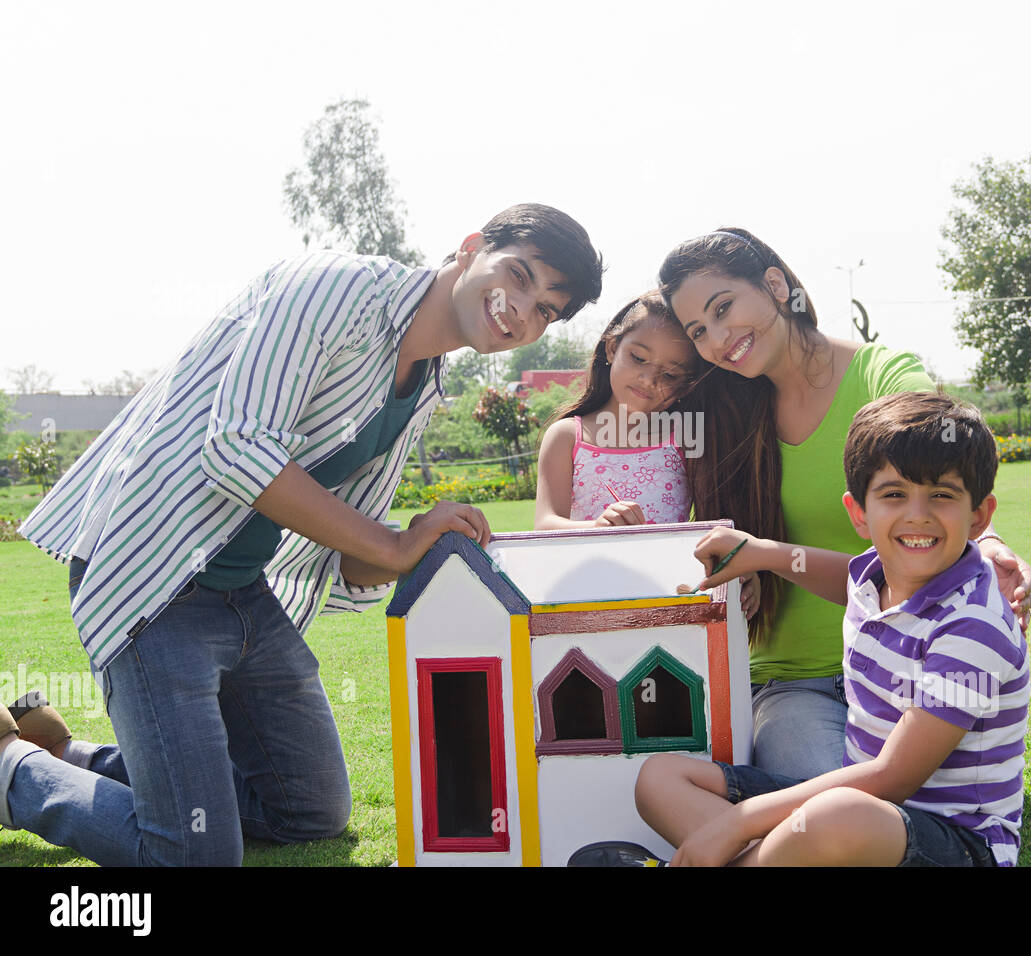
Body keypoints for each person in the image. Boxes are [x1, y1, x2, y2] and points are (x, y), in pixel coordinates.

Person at [2, 203, 604, 866]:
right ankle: (11, 766)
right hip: (153, 575)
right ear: (469, 248)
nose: (522, 310)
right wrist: (395, 545)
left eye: (546, 309)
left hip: (243, 598)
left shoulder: (424, 383)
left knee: (307, 810)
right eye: (518, 276)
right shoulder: (332, 286)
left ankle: (68, 755)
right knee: (193, 854)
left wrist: (426, 543)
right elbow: (235, 449)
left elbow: (349, 563)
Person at [571, 391, 1029, 866]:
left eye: (941, 495)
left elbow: (893, 778)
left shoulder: (973, 625)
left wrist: (738, 822)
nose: (917, 514)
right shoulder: (877, 578)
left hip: (953, 844)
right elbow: (841, 578)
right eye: (894, 494)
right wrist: (761, 551)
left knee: (840, 813)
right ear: (858, 513)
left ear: (978, 516)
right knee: (662, 778)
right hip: (859, 820)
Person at [659, 228, 1031, 781]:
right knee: (831, 803)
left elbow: (939, 460)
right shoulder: (721, 419)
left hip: (911, 664)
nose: (718, 339)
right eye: (699, 331)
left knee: (890, 799)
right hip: (793, 683)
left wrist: (992, 541)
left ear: (775, 284)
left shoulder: (879, 374)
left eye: (724, 308)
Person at [534, 293, 698, 530]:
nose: (648, 379)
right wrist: (598, 529)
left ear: (685, 386)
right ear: (612, 349)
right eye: (639, 358)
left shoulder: (687, 436)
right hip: (590, 567)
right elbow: (544, 524)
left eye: (670, 375)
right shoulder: (566, 436)